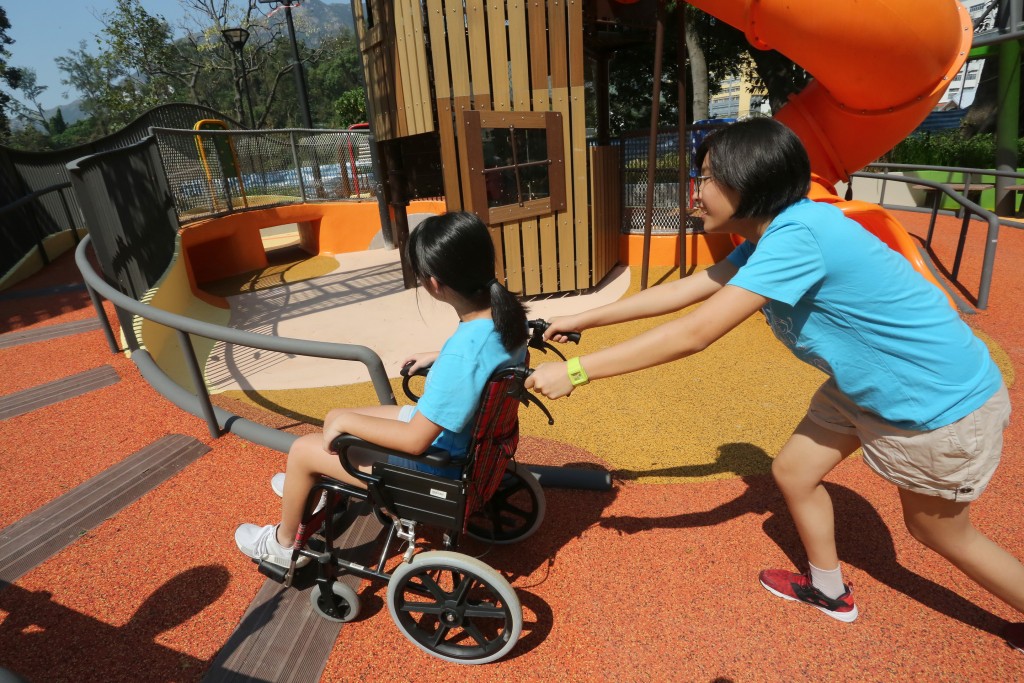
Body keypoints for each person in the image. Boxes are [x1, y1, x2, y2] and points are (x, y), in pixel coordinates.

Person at [525, 117, 1024, 650]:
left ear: (752, 183)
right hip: (867, 384)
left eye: (710, 176)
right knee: (793, 470)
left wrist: (577, 370)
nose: (696, 188)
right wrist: (585, 318)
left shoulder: (797, 237)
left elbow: (695, 333)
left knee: (939, 533)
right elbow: (693, 289)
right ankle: (830, 591)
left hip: (934, 402)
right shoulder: (768, 232)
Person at [235, 211, 528, 568]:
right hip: (463, 443)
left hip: (437, 464)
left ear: (434, 283)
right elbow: (482, 361)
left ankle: (283, 545)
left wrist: (343, 419)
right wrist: (437, 356)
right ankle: (306, 483)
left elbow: (415, 441)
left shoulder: (463, 353)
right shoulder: (505, 318)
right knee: (345, 420)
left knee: (303, 448)